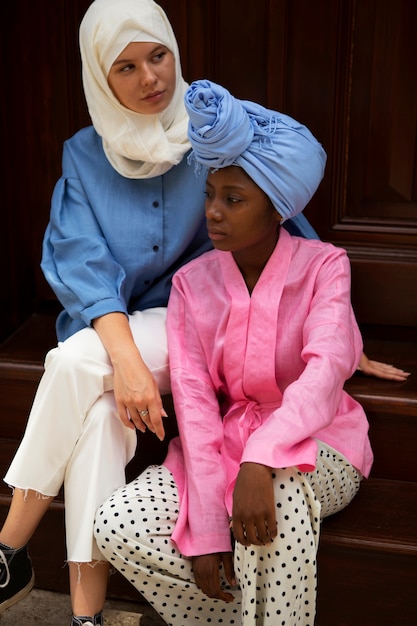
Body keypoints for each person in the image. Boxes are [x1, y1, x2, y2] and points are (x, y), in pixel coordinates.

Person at [0, 0, 408, 624]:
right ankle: (85, 613)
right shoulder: (85, 157)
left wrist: (345, 340)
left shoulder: (214, 131)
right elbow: (79, 258)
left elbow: (284, 216)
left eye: (158, 55)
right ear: (98, 76)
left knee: (76, 364)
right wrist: (128, 361)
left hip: (190, 331)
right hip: (128, 326)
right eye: (126, 67)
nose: (151, 78)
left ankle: (8, 545)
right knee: (102, 399)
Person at [94, 79, 375, 626]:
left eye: (234, 199)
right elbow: (195, 405)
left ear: (277, 210)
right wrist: (205, 523)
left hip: (323, 443)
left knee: (277, 490)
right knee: (119, 523)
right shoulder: (191, 285)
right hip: (224, 443)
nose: (213, 213)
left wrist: (261, 455)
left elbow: (326, 372)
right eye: (210, 195)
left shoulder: (325, 266)